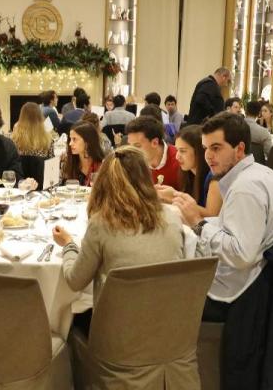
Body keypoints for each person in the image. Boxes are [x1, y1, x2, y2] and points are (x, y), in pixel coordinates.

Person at [171, 112, 273, 322]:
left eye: (216, 148)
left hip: (250, 291)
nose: (208, 156)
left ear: (239, 149)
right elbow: (234, 227)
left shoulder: (245, 188)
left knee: (170, 294)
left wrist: (199, 223)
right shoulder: (260, 172)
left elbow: (241, 255)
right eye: (205, 148)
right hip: (268, 278)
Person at [52, 145, 185, 334]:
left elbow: (75, 281)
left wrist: (68, 245)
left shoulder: (102, 224)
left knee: (67, 320)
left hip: (119, 337)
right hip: (168, 330)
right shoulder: (171, 217)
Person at [156, 125, 222, 217]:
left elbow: (211, 216)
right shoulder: (187, 174)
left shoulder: (214, 178)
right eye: (177, 150)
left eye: (182, 151)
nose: (177, 156)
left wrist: (175, 197)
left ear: (199, 151)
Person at [126, 116, 181, 190]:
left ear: (155, 143)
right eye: (130, 145)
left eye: (137, 146)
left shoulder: (179, 159)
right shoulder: (132, 163)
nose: (131, 151)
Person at [61, 121, 104, 186]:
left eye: (74, 139)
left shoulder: (102, 166)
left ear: (87, 141)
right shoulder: (70, 163)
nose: (70, 143)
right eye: (70, 139)